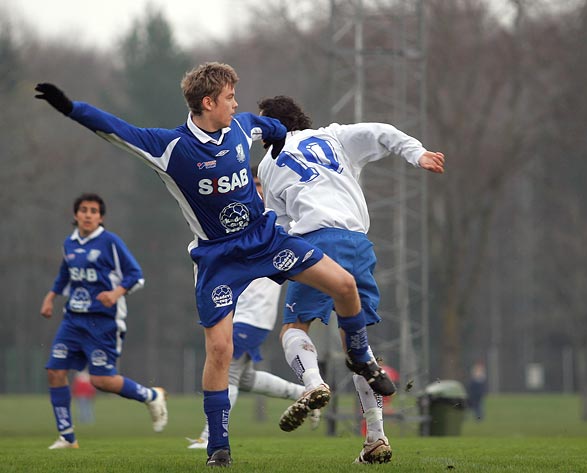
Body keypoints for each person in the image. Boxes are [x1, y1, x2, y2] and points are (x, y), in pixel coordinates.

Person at [35, 62, 395, 467]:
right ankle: (218, 446)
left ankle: (360, 357)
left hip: (266, 240)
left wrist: (277, 147)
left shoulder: (242, 127)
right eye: (228, 97)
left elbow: (273, 130)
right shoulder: (170, 147)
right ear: (208, 102)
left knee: (344, 286)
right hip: (218, 259)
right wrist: (69, 107)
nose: (235, 103)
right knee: (220, 350)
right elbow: (113, 128)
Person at [257, 95, 445, 464]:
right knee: (356, 346)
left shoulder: (268, 163)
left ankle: (313, 385)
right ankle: (376, 437)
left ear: (270, 129)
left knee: (294, 327)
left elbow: (276, 224)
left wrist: (275, 266)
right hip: (359, 244)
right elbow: (383, 131)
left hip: (314, 243)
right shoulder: (334, 137)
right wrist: (417, 154)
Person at [186, 171, 320, 450]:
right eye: (251, 186)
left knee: (229, 371)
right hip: (232, 311)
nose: (255, 191)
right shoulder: (232, 218)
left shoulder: (271, 221)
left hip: (254, 315)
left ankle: (211, 436)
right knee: (243, 377)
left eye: (259, 186)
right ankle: (305, 394)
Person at [40, 193, 168, 450]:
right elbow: (65, 275)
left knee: (101, 380)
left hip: (104, 322)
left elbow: (136, 275)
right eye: (83, 210)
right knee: (55, 371)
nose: (88, 214)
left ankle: (152, 395)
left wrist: (115, 293)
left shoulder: (110, 242)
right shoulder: (69, 244)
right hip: (73, 319)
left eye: (94, 211)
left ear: (101, 217)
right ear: (75, 215)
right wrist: (50, 297)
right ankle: (67, 437)